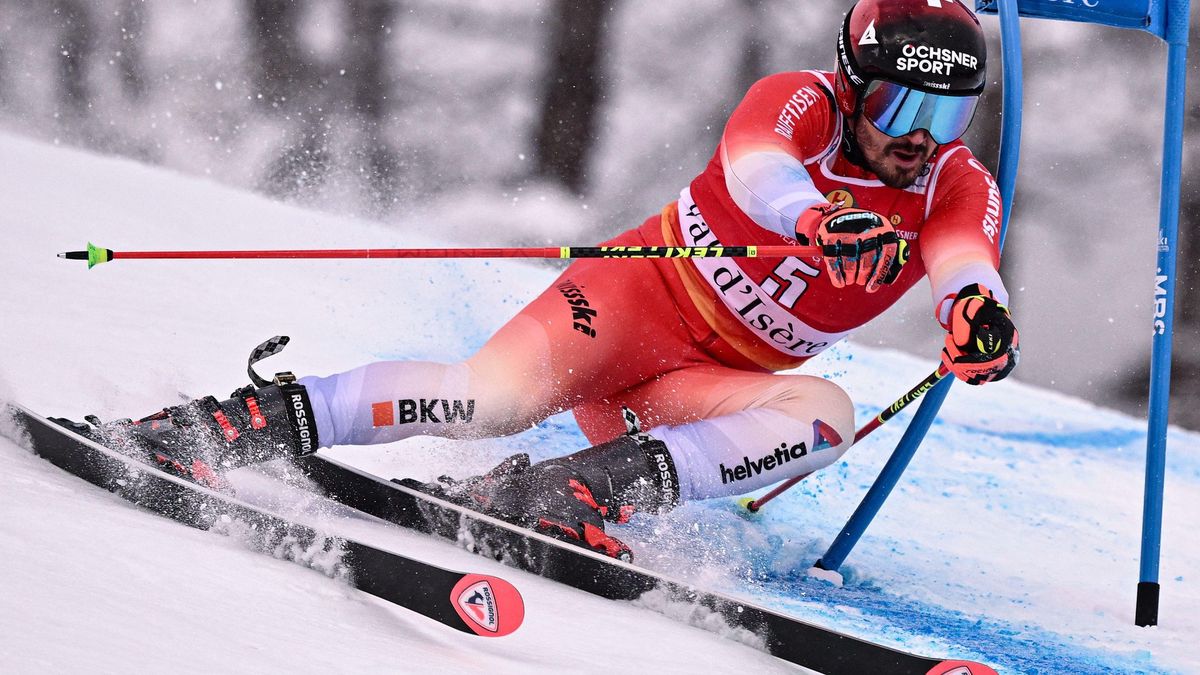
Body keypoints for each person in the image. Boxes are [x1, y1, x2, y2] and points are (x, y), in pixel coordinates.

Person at [79, 0, 1018, 561]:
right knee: (485, 401)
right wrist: (814, 217)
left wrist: (979, 316)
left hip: (682, 392)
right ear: (855, 87)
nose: (918, 133)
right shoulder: (801, 102)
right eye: (900, 101)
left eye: (946, 110)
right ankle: (224, 425)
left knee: (824, 414)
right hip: (631, 302)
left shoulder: (953, 183)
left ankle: (575, 492)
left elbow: (966, 266)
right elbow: (754, 167)